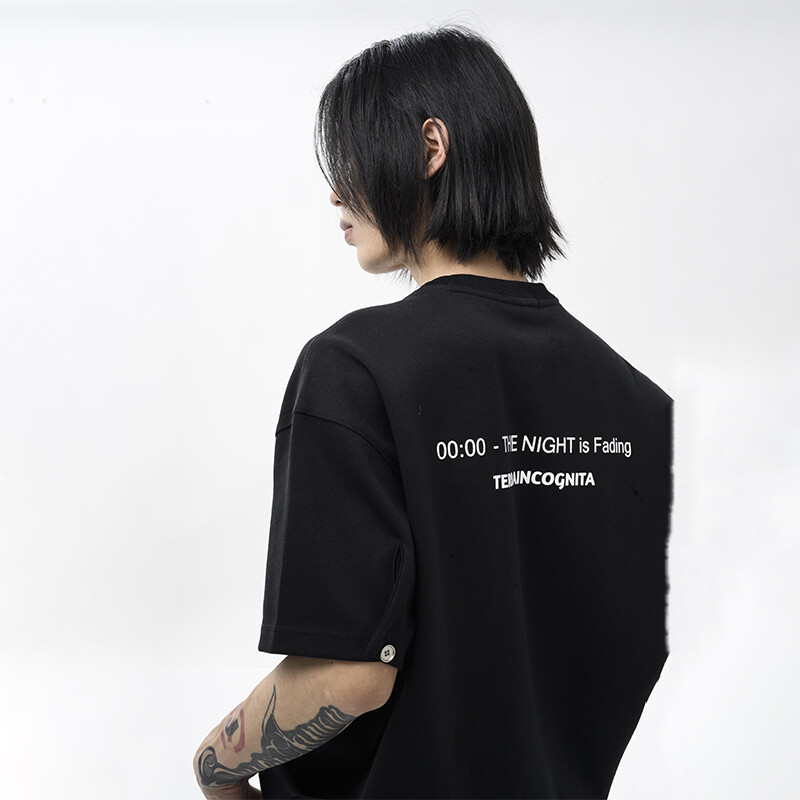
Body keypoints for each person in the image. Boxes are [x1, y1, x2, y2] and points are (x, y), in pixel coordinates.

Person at [193, 23, 674, 800]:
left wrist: (215, 765)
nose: (336, 192)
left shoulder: (355, 368)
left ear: (429, 147)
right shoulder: (641, 408)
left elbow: (351, 675)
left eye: (350, 156)